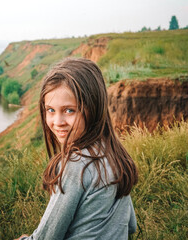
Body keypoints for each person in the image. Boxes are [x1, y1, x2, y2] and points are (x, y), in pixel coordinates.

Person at [15, 57, 139, 240]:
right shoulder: (113, 154)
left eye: (69, 110)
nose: (58, 122)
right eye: (50, 110)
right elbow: (130, 226)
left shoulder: (76, 164)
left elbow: (47, 237)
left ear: (93, 108)